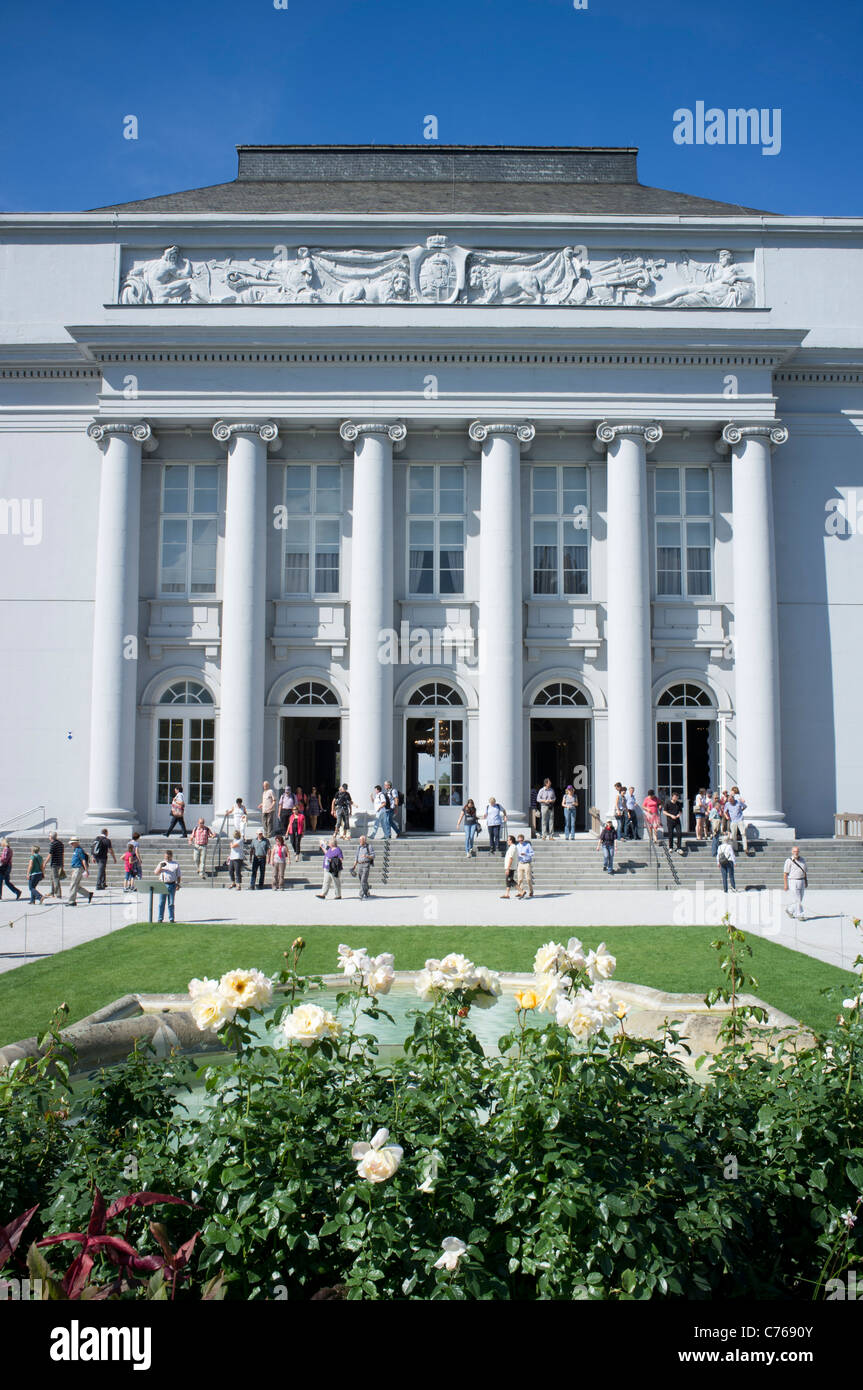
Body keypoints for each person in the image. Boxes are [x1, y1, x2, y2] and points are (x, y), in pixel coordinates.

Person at [154, 849, 181, 922]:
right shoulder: (162, 863)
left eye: (168, 857)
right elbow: (156, 873)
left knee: (171, 903)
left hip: (172, 884)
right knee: (161, 903)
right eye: (165, 857)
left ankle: (171, 918)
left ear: (171, 856)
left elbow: (178, 875)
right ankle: (160, 918)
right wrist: (161, 867)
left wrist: (178, 884)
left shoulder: (175, 864)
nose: (167, 858)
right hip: (163, 884)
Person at [66, 838, 94, 906]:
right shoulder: (76, 849)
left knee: (73, 885)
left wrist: (86, 870)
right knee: (76, 886)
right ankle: (88, 894)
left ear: (76, 843)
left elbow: (83, 860)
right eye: (71, 843)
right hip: (75, 868)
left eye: (72, 843)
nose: (71, 844)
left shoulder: (79, 850)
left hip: (78, 868)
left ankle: (71, 901)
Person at [783, 845, 808, 920]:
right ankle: (800, 915)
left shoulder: (802, 860)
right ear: (792, 852)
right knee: (798, 899)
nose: (796, 853)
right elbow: (785, 873)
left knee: (799, 898)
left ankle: (790, 910)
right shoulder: (789, 861)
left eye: (797, 851)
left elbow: (804, 871)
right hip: (793, 881)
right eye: (794, 851)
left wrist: (806, 881)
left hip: (802, 880)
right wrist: (785, 885)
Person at [726, 788, 751, 856]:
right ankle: (735, 848)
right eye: (729, 801)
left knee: (743, 833)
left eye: (731, 801)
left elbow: (745, 806)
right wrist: (727, 816)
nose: (730, 802)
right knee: (733, 835)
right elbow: (725, 811)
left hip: (740, 820)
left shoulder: (738, 802)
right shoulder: (727, 804)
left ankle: (745, 848)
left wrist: (741, 810)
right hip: (733, 821)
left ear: (733, 799)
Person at [44, 831, 65, 900]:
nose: (49, 837)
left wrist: (44, 863)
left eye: (49, 836)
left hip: (54, 864)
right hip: (59, 862)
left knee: (55, 879)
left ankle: (58, 894)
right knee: (52, 878)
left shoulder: (53, 844)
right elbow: (62, 854)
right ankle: (52, 892)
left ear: (51, 837)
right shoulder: (60, 843)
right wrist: (62, 864)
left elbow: (50, 854)